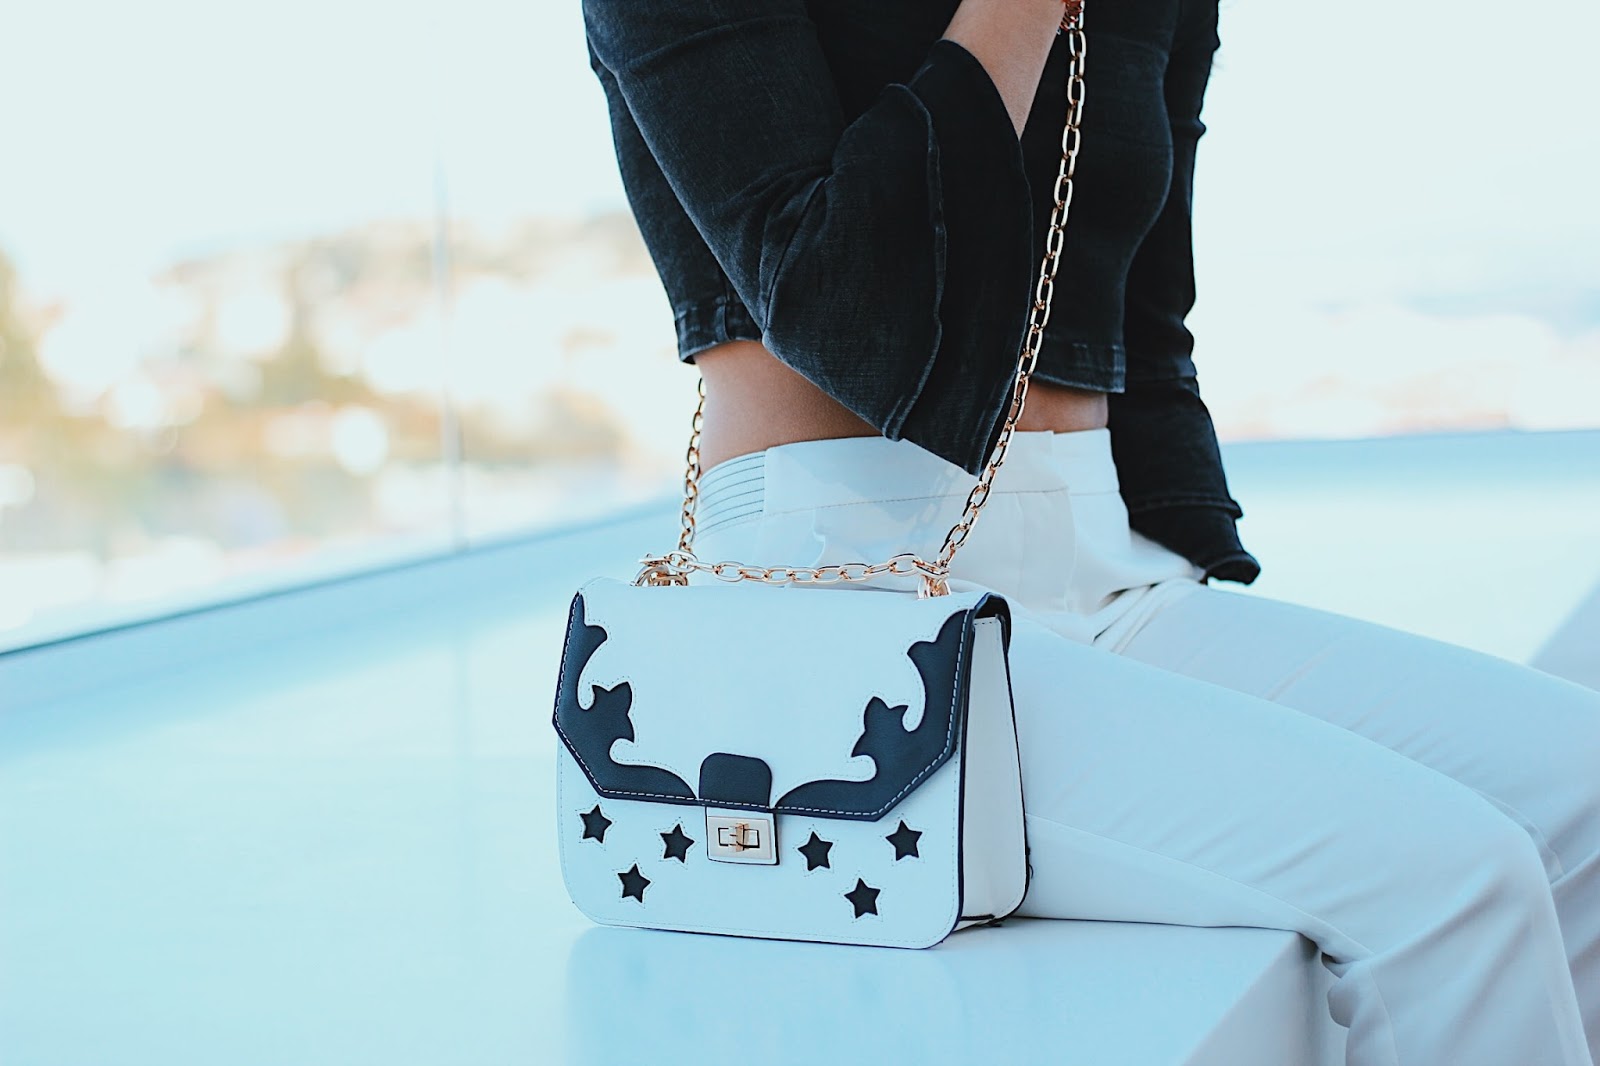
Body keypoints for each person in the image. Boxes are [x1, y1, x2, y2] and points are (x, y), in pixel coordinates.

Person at [580, 1, 1600, 1062]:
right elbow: (852, 309)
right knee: (1453, 879)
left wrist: (1187, 564)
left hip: (1098, 560)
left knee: (1584, 783)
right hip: (841, 587)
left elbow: (1143, 319)